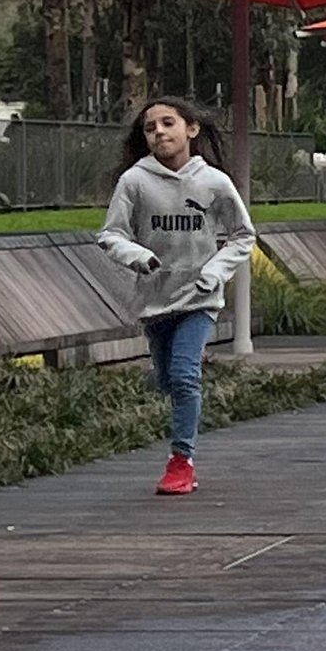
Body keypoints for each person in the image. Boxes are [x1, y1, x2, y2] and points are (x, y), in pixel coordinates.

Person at [97, 95, 256, 497]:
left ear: (192, 129)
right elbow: (111, 234)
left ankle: (181, 461)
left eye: (168, 123)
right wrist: (138, 257)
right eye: (150, 127)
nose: (159, 132)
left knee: (185, 377)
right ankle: (186, 374)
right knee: (168, 380)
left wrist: (213, 273)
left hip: (199, 298)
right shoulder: (134, 181)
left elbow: (243, 235)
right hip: (154, 299)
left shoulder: (214, 182)